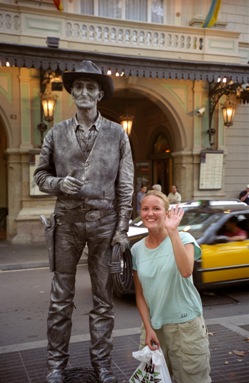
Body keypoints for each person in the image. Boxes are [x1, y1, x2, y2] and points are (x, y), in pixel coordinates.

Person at [34, 60, 134, 383]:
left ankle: (103, 366)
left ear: (100, 95)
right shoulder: (56, 132)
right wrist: (58, 184)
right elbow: (40, 176)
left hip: (105, 223)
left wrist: (121, 229)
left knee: (103, 301)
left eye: (92, 87)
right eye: (79, 87)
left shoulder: (118, 134)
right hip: (67, 221)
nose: (85, 92)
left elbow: (126, 185)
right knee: (60, 298)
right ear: (72, 92)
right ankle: (55, 367)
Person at [131, 190, 211, 383]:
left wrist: (173, 231)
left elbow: (186, 271)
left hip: (185, 327)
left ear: (167, 213)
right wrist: (148, 328)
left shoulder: (184, 239)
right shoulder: (136, 249)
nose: (150, 213)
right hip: (153, 327)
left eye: (156, 209)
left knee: (193, 379)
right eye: (145, 209)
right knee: (154, 380)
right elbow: (140, 295)